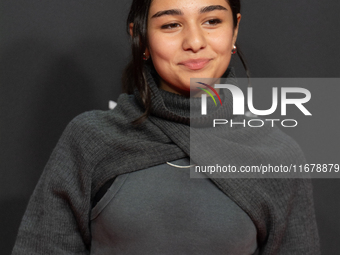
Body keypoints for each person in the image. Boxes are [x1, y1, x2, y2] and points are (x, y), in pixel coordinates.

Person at [12, 0, 320, 254]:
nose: (195, 42)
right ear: (141, 37)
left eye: (212, 21)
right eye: (171, 24)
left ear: (234, 29)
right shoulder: (91, 139)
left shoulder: (277, 156)